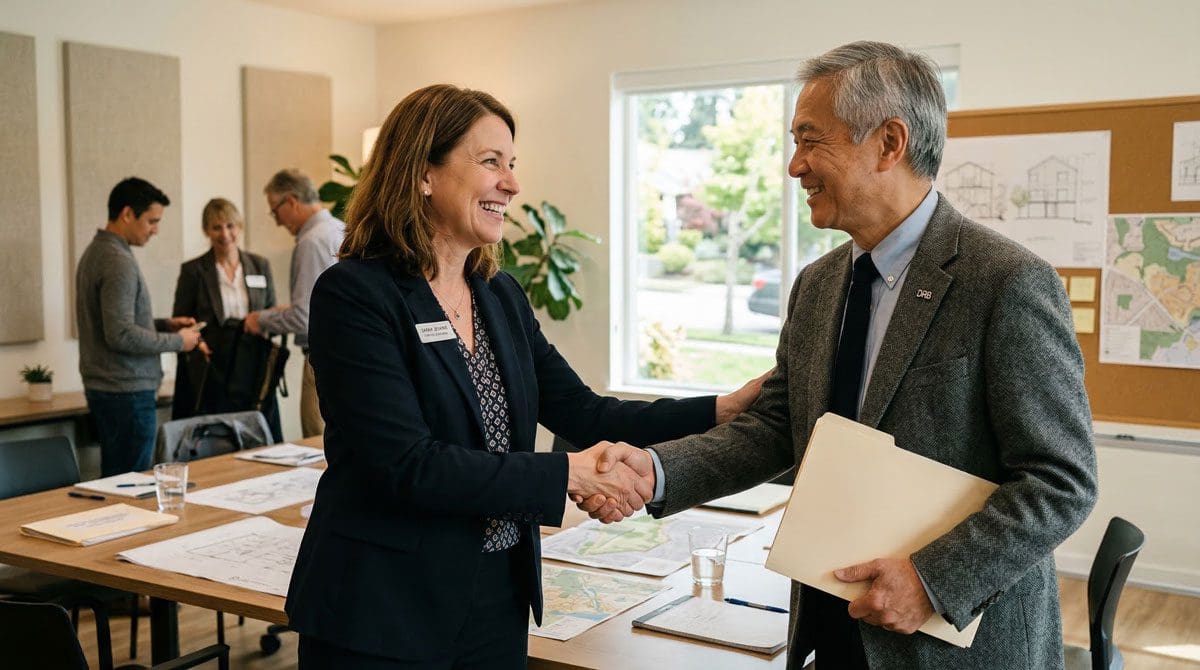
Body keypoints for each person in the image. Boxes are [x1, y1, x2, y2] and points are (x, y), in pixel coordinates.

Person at [582, 41, 1099, 669]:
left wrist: (932, 580)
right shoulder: (817, 284)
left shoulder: (1007, 282)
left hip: (952, 645)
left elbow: (1061, 481)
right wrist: (655, 472)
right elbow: (778, 428)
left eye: (810, 140)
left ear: (889, 143)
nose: (794, 166)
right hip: (830, 628)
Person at [283, 84, 766, 669]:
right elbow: (405, 464)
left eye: (512, 165)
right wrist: (568, 472)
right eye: (491, 162)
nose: (511, 184)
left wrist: (721, 409)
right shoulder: (356, 295)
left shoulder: (498, 295)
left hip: (495, 597)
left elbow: (586, 413)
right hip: (384, 609)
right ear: (423, 173)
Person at [76, 177, 203, 477]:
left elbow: (117, 321)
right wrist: (179, 341)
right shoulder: (116, 260)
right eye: (151, 221)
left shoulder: (96, 251)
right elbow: (120, 334)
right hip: (127, 392)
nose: (155, 230)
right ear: (127, 214)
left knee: (119, 481)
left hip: (113, 389)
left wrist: (165, 325)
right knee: (129, 486)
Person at [243, 169, 344, 437]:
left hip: (323, 362)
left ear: (291, 201)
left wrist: (260, 320)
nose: (276, 221)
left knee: (317, 441)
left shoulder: (311, 241)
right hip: (346, 358)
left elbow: (304, 318)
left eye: (275, 211)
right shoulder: (340, 229)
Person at [171, 198, 281, 439]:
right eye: (216, 227)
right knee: (218, 438)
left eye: (230, 226)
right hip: (214, 367)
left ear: (239, 227)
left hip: (252, 363)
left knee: (258, 435)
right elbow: (180, 320)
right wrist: (197, 343)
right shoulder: (194, 270)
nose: (225, 234)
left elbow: (270, 312)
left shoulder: (259, 265)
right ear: (206, 231)